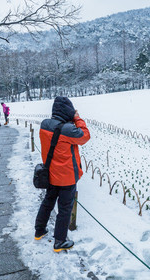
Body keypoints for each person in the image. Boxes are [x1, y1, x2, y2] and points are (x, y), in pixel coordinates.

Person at [34, 96, 90, 252]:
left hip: (50, 173)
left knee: (48, 201)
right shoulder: (68, 129)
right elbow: (85, 135)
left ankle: (39, 230)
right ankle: (59, 241)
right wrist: (77, 118)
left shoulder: (45, 125)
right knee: (65, 209)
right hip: (66, 176)